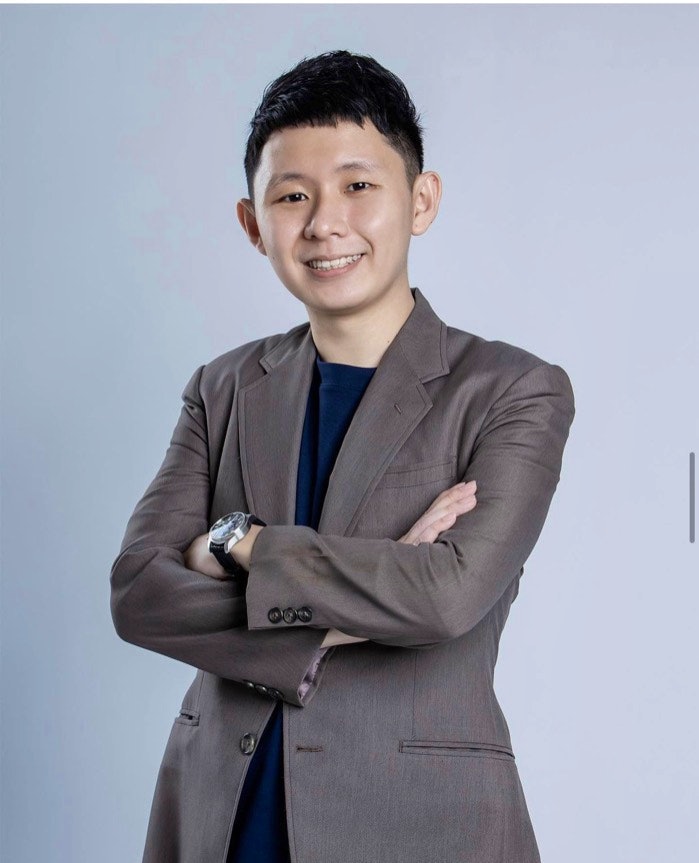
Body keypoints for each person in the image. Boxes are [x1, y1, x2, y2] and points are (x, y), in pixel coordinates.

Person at [110, 50, 575, 863]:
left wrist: (239, 544)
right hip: (221, 817)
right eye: (292, 196)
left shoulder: (512, 390)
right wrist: (362, 599)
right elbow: (139, 594)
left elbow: (445, 598)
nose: (324, 222)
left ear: (420, 200)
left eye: (358, 185)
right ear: (252, 224)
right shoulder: (221, 387)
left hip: (416, 823)